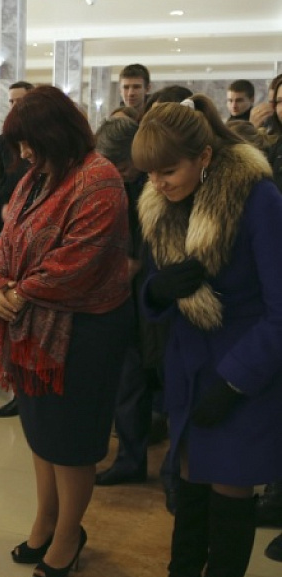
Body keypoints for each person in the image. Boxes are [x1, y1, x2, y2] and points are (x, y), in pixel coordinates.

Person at [0, 86, 132, 577]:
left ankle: (69, 534)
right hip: (34, 330)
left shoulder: (99, 178)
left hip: (84, 332)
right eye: (20, 144)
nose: (25, 154)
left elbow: (77, 261)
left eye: (31, 143)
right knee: (42, 436)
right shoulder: (36, 177)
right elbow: (6, 240)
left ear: (56, 133)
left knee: (72, 444)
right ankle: (46, 521)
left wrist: (17, 293)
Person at [133, 95, 282, 577]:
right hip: (188, 365)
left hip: (244, 370)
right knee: (190, 482)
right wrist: (157, 292)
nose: (157, 183)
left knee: (229, 488)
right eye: (149, 174)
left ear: (204, 157)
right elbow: (152, 289)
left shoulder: (257, 199)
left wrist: (236, 381)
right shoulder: (160, 202)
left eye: (167, 171)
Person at [91, 116, 167, 488]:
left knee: (135, 383)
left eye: (121, 167)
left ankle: (136, 461)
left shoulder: (157, 184)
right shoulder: (120, 182)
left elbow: (137, 258)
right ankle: (130, 456)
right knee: (127, 382)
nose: (116, 174)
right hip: (127, 299)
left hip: (150, 300)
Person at [0, 80, 34, 418]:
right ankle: (19, 388)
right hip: (10, 227)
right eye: (12, 101)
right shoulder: (5, 141)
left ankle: (28, 392)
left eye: (23, 101)